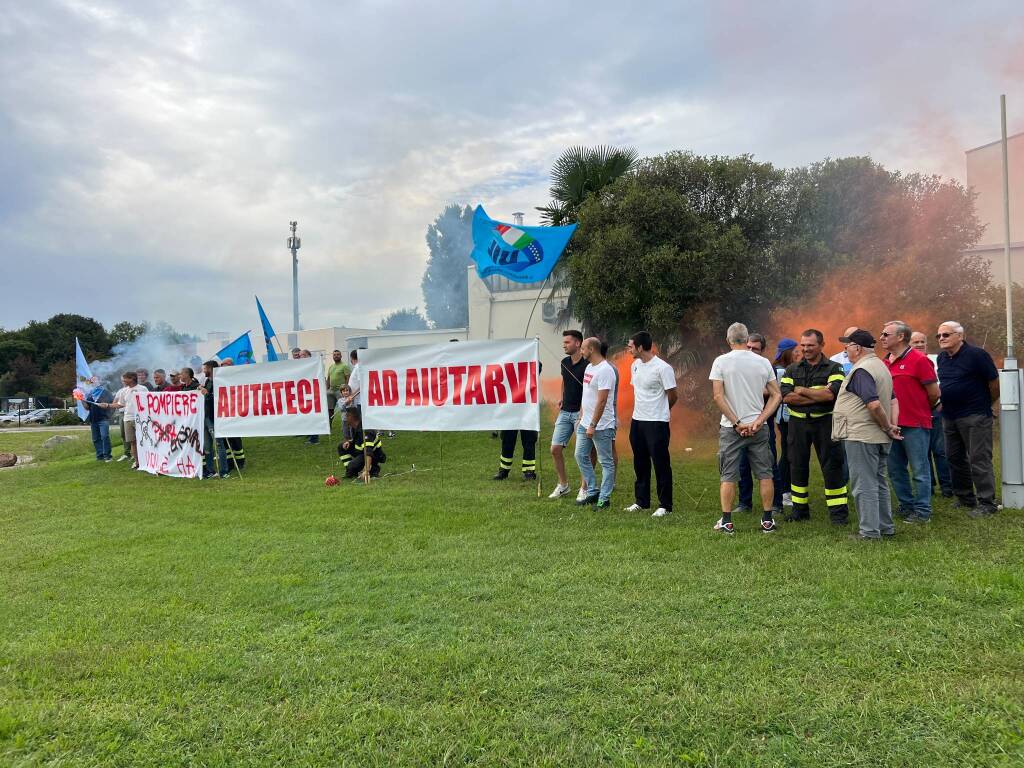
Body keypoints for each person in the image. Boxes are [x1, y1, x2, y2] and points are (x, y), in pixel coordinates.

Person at [710, 323, 783, 534]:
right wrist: (760, 420)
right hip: (757, 428)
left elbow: (717, 396)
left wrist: (735, 422)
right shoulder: (762, 362)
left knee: (728, 475)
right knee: (765, 473)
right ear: (746, 339)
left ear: (729, 339)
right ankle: (767, 520)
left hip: (730, 428)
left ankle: (727, 521)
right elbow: (777, 395)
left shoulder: (720, 361)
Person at [832, 330, 902, 540]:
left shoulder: (862, 370)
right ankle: (885, 527)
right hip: (877, 436)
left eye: (848, 345)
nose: (846, 349)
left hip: (862, 435)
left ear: (858, 348)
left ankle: (870, 533)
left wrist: (887, 426)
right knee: (879, 481)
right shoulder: (881, 366)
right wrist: (889, 425)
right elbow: (892, 400)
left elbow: (873, 404)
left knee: (864, 485)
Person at [780, 329, 849, 524]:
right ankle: (799, 511)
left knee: (832, 466)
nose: (806, 349)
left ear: (821, 345)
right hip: (797, 424)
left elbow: (830, 396)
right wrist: (816, 394)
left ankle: (838, 514)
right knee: (797, 466)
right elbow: (786, 397)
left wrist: (800, 390)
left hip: (825, 423)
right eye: (803, 345)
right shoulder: (792, 369)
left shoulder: (835, 368)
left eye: (810, 345)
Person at [936, 321, 1000, 517]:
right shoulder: (941, 358)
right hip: (949, 416)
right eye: (938, 336)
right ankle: (965, 498)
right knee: (954, 457)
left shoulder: (977, 355)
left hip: (975, 414)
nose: (941, 339)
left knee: (979, 458)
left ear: (960, 336)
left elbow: (994, 382)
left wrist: (987, 405)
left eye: (946, 335)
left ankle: (987, 503)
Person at [880, 320, 940, 523]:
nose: (882, 338)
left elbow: (934, 393)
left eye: (886, 334)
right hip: (891, 425)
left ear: (901, 337)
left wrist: (921, 410)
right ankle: (906, 506)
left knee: (919, 470)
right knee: (895, 470)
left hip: (915, 424)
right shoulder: (885, 361)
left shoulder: (919, 360)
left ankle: (923, 512)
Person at [623, 331, 677, 518]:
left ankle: (665, 505)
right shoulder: (635, 365)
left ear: (640, 347)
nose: (628, 349)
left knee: (661, 463)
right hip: (638, 420)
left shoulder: (663, 368)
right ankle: (641, 501)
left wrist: (662, 410)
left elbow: (673, 394)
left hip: (657, 422)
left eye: (631, 346)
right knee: (640, 461)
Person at [735, 332, 784, 515]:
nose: (750, 350)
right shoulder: (738, 366)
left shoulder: (767, 367)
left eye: (755, 348)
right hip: (740, 423)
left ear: (762, 350)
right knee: (742, 465)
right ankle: (744, 503)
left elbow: (773, 393)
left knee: (769, 464)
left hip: (764, 423)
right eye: (748, 347)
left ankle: (776, 504)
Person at [574, 337, 616, 508]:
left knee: (606, 462)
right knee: (580, 455)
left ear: (591, 349)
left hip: (601, 425)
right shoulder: (589, 367)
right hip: (585, 422)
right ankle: (592, 491)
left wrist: (593, 424)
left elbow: (602, 401)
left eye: (583, 348)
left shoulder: (606, 370)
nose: (581, 351)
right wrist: (582, 417)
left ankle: (604, 499)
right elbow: (587, 396)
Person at [910, 330, 953, 497]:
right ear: (909, 345)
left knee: (940, 450)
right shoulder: (907, 361)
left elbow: (943, 383)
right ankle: (929, 487)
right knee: (922, 452)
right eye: (916, 342)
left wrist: (941, 403)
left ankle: (947, 487)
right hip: (917, 412)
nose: (920, 344)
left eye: (922, 341)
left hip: (936, 410)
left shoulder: (937, 359)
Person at [548, 330, 588, 498]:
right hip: (565, 412)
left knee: (582, 453)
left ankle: (585, 488)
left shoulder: (587, 364)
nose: (564, 345)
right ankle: (563, 485)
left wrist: (583, 409)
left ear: (578, 343)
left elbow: (590, 389)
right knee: (555, 449)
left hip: (582, 413)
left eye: (567, 342)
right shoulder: (564, 362)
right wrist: (562, 398)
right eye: (564, 342)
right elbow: (565, 381)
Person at [773, 338, 798, 508]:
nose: (798, 354)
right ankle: (783, 491)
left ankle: (787, 490)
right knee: (789, 454)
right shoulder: (782, 371)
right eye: (795, 351)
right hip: (786, 417)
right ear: (788, 352)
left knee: (790, 452)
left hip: (786, 417)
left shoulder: (782, 369)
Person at [109, 371, 149, 469]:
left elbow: (149, 401)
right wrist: (107, 405)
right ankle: (137, 462)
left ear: (131, 378)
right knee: (132, 441)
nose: (123, 381)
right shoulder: (124, 391)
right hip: (127, 419)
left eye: (124, 379)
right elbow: (120, 404)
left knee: (144, 440)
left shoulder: (142, 389)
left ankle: (147, 460)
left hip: (140, 418)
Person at [199, 361, 230, 479]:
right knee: (207, 446)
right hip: (205, 416)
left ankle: (224, 471)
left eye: (205, 368)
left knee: (219, 445)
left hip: (214, 417)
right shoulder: (207, 381)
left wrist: (207, 394)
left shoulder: (219, 381)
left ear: (211, 369)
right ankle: (211, 470)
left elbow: (220, 398)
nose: (203, 370)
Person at [337, 407, 386, 479]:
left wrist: (366, 470)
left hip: (374, 455)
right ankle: (350, 471)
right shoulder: (356, 426)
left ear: (351, 417)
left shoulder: (365, 430)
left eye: (346, 416)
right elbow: (359, 441)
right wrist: (350, 442)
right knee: (341, 446)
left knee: (352, 465)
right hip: (361, 452)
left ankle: (373, 469)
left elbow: (368, 452)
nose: (345, 418)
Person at [218, 359, 246, 470]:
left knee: (235, 439)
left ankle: (240, 462)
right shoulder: (220, 378)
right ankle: (230, 462)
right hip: (223, 413)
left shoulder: (236, 376)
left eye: (223, 365)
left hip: (234, 412)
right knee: (225, 440)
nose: (221, 367)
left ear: (229, 365)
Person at [83, 379, 114, 461]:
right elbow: (87, 407)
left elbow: (112, 404)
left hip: (103, 418)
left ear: (99, 382)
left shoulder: (106, 392)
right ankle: (100, 456)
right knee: (96, 438)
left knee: (104, 437)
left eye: (94, 381)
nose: (92, 383)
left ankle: (107, 456)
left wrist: (109, 415)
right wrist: (82, 400)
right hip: (93, 419)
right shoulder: (90, 393)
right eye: (91, 382)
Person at [326, 349, 352, 424]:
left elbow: (348, 377)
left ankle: (347, 424)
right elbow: (328, 379)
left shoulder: (344, 366)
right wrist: (327, 389)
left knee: (345, 408)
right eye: (334, 355)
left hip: (340, 391)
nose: (336, 356)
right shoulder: (331, 367)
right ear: (332, 356)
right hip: (331, 391)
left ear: (341, 356)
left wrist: (345, 389)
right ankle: (329, 426)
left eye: (338, 354)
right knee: (329, 409)